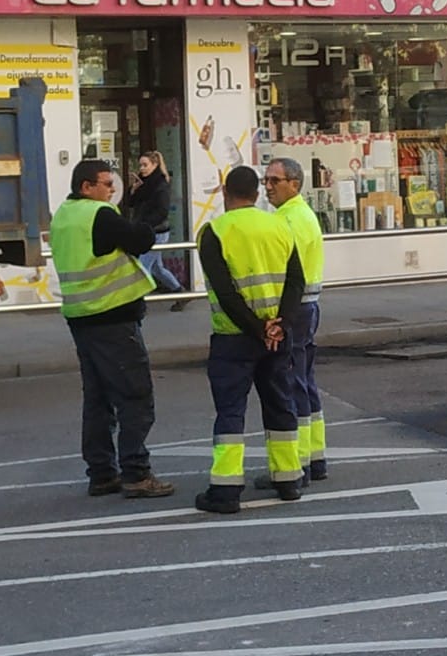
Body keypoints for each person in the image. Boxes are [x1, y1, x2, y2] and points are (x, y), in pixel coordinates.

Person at [49, 159, 175, 499]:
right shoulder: (98, 214)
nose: (112, 189)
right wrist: (147, 219)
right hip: (112, 318)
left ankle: (102, 473)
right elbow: (140, 240)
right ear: (86, 187)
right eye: (106, 184)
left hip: (81, 317)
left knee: (98, 400)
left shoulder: (63, 215)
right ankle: (136, 473)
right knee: (134, 396)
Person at [195, 165, 306, 515]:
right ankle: (288, 480)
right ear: (257, 194)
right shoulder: (280, 226)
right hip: (277, 337)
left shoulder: (214, 231)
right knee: (280, 403)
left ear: (226, 193)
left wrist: (257, 328)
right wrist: (281, 324)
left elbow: (226, 293)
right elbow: (295, 281)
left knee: (230, 411)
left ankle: (226, 490)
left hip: (234, 338)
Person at [263, 157, 328, 484]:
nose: (268, 187)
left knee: (292, 382)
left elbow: (287, 275)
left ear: (295, 184)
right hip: (307, 308)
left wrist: (278, 317)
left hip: (295, 310)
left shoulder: (288, 220)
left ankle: (298, 462)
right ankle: (315, 458)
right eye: (266, 181)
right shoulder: (301, 214)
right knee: (305, 379)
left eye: (275, 180)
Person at [126, 150, 190, 308]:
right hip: (146, 229)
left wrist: (145, 226)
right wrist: (133, 190)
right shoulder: (142, 183)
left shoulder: (160, 185)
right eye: (140, 165)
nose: (142, 168)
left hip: (156, 232)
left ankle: (138, 302)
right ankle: (180, 292)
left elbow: (162, 212)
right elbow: (131, 203)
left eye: (145, 165)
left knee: (142, 267)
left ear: (155, 165)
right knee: (156, 267)